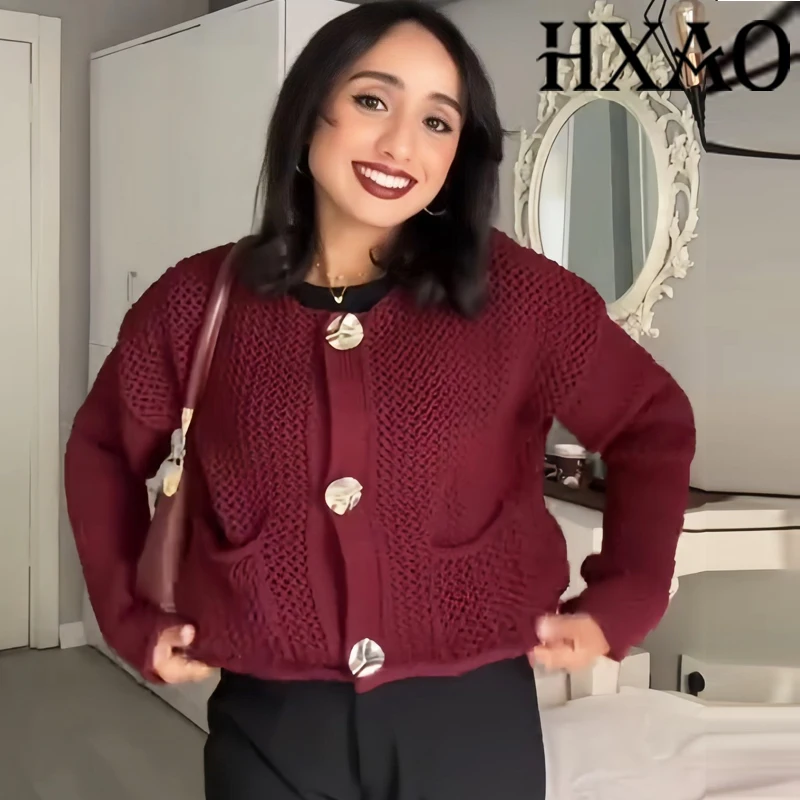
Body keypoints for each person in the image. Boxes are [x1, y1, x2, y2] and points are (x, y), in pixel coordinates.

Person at [64, 2, 696, 798]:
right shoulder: (196, 302)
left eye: (437, 121)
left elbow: (651, 423)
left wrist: (626, 597)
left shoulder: (519, 297)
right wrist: (128, 616)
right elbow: (101, 450)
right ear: (309, 111)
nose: (401, 144)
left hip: (470, 724)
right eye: (372, 101)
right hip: (270, 726)